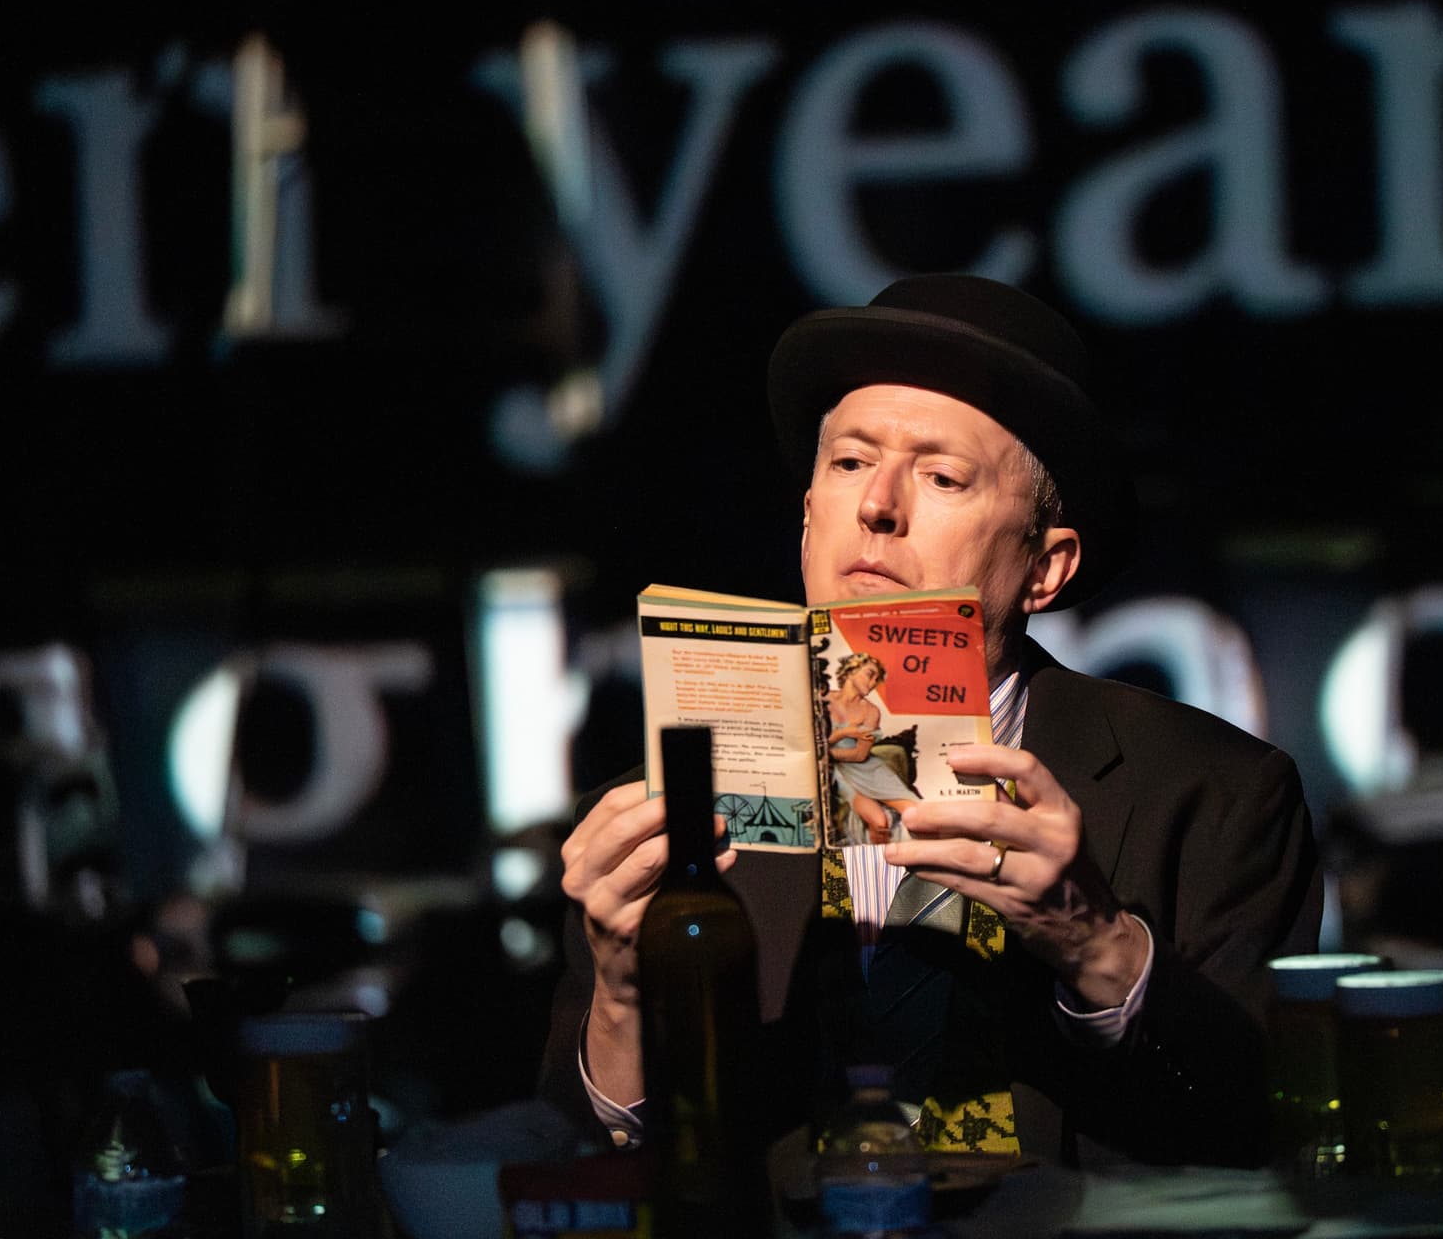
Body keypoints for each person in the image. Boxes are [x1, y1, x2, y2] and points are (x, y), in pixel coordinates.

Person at [540, 274, 1323, 1167]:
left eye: (943, 475)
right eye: (848, 463)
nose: (877, 505)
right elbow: (569, 1167)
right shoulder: (659, 825)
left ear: (1045, 568)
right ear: (806, 519)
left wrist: (1096, 946)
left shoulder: (1217, 794)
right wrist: (622, 1004)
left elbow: (1268, 1131)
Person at [825, 652, 920, 846]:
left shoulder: (871, 712)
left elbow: (860, 755)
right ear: (851, 671)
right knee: (879, 822)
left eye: (876, 679)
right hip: (840, 775)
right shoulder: (824, 700)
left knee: (917, 813)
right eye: (870, 674)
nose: (873, 682)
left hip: (868, 769)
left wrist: (826, 754)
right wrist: (843, 734)